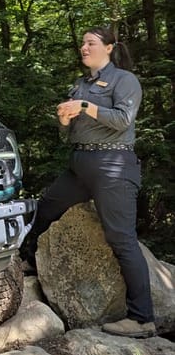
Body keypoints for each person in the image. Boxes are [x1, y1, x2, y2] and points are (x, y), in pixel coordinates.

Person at [21, 26, 156, 338]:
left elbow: (123, 120)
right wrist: (64, 121)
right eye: (82, 43)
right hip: (79, 165)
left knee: (121, 237)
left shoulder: (125, 80)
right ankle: (31, 261)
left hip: (114, 165)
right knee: (46, 209)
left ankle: (142, 318)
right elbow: (68, 134)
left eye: (91, 43)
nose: (84, 47)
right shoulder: (80, 85)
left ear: (109, 48)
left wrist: (84, 106)